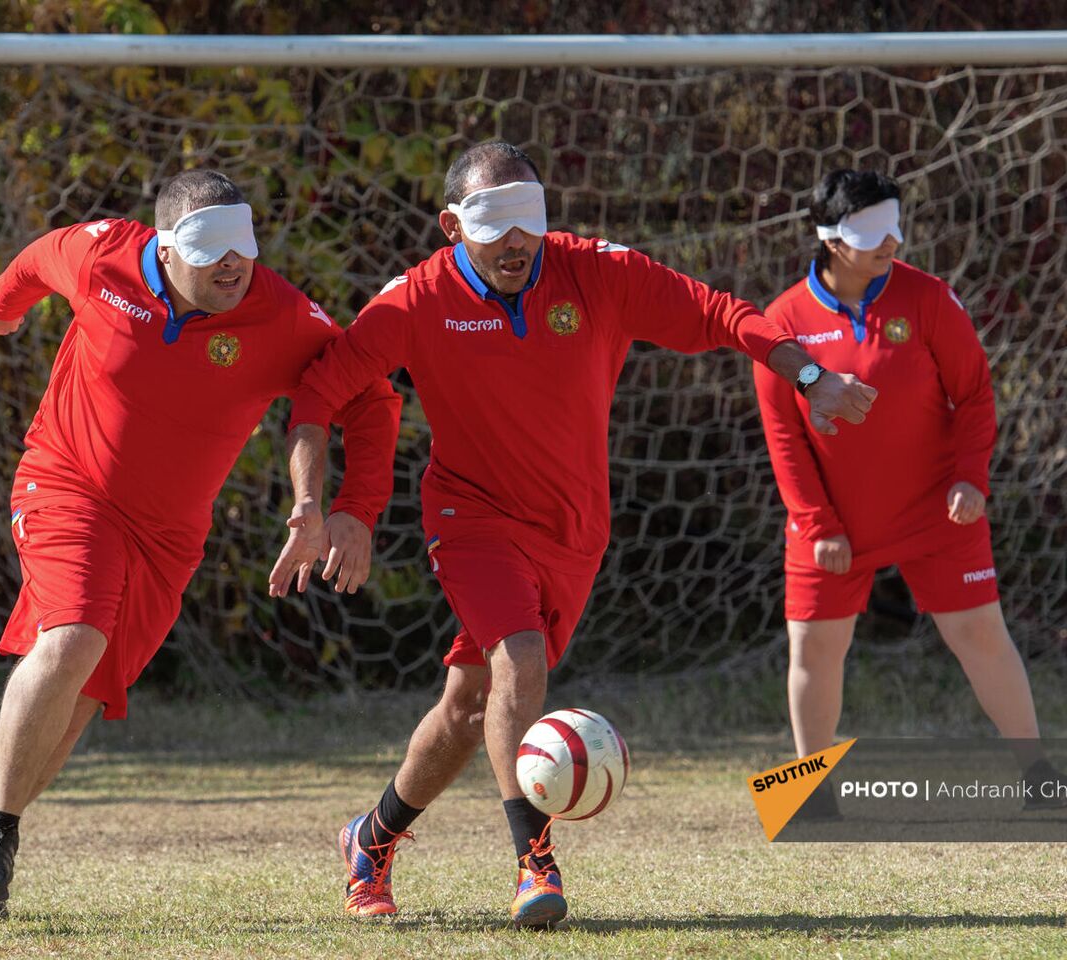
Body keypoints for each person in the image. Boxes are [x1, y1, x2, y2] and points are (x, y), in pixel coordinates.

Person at [270, 140, 877, 927]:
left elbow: (723, 315)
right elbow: (320, 392)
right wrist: (319, 506)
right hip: (470, 516)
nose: (518, 239)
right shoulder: (414, 300)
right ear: (453, 225)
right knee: (519, 665)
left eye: (531, 217)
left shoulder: (597, 272)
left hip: (575, 527)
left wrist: (809, 375)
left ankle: (371, 841)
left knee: (467, 706)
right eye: (496, 223)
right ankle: (535, 863)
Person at [0, 171, 401, 920]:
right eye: (210, 250)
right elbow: (34, 261)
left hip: (167, 539)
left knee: (81, 698)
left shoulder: (280, 315)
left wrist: (354, 509)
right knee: (75, 636)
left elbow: (370, 396)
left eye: (241, 248)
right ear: (165, 246)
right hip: (67, 485)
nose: (231, 266)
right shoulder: (102, 257)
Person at [753, 168, 1061, 816]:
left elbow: (975, 394)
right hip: (833, 526)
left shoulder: (927, 298)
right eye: (874, 232)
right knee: (814, 645)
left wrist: (971, 479)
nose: (893, 242)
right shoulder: (782, 322)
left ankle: (1040, 779)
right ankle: (811, 795)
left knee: (981, 633)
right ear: (834, 242)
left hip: (937, 510)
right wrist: (819, 525)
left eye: (896, 225)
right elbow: (783, 436)